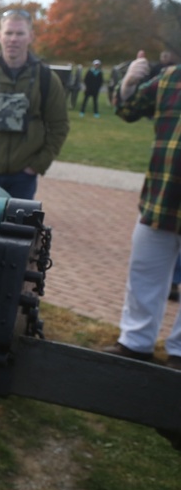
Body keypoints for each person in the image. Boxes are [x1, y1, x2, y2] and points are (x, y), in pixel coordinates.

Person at [102, 51, 181, 370]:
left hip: (162, 197)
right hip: (161, 199)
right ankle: (135, 343)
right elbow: (126, 109)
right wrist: (129, 83)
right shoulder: (170, 78)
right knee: (144, 273)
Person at [0, 9, 69, 200]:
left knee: (18, 230)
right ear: (0, 36)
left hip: (23, 177)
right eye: (8, 33)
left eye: (20, 33)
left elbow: (59, 126)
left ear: (30, 36)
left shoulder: (46, 79)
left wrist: (37, 165)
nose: (13, 39)